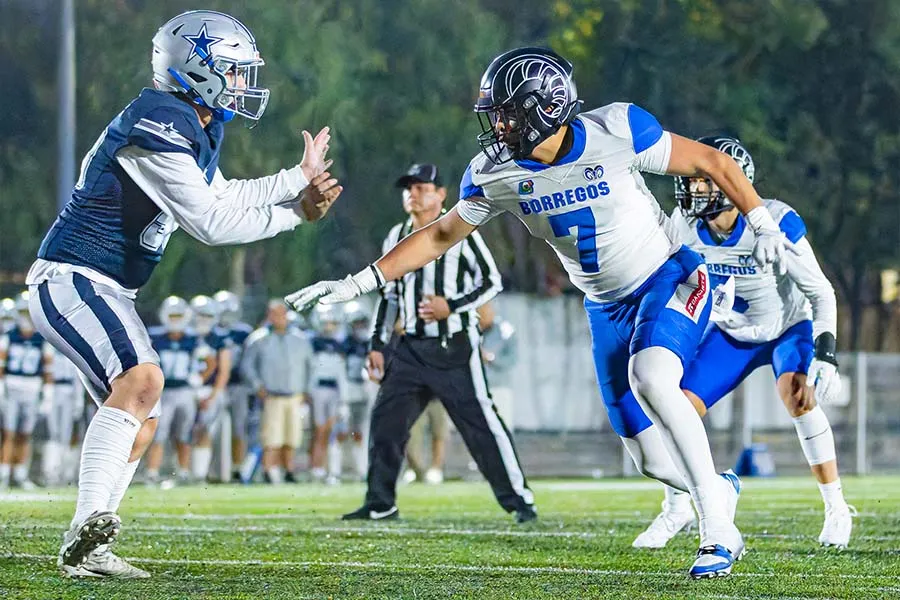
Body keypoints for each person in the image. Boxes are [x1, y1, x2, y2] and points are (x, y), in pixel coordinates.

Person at [286, 47, 796, 577]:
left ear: (542, 108)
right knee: (647, 457)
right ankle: (717, 489)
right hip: (604, 305)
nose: (498, 127)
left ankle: (718, 531)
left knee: (653, 377)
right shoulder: (496, 171)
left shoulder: (618, 129)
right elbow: (439, 234)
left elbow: (714, 162)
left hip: (670, 274)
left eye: (506, 114)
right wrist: (361, 280)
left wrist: (762, 224)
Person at [25, 9, 342, 579]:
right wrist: (295, 199)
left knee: (139, 414)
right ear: (200, 68)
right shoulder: (160, 117)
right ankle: (86, 524)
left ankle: (89, 545)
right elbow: (212, 223)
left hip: (106, 286)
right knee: (143, 382)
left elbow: (228, 196)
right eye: (236, 71)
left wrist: (295, 200)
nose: (245, 83)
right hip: (72, 277)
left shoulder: (195, 124)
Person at [632, 136, 853, 550]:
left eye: (704, 181)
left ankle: (836, 506)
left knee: (796, 394)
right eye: (695, 180)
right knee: (675, 406)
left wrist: (826, 351)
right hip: (732, 333)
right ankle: (678, 506)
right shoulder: (686, 225)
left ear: (734, 181)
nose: (694, 188)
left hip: (787, 327)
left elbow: (822, 291)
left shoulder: (774, 221)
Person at [321, 161, 535, 523]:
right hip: (409, 349)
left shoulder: (461, 231)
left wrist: (450, 306)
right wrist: (377, 344)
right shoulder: (396, 236)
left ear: (440, 195)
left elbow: (491, 281)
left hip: (454, 347)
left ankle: (519, 501)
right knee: (386, 422)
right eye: (410, 188)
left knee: (481, 427)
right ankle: (380, 502)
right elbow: (388, 295)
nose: (413, 194)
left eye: (422, 188)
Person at [241, 300, 313, 484]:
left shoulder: (300, 339)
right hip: (272, 395)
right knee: (271, 438)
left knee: (292, 437)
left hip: (294, 395)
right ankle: (268, 471)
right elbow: (247, 366)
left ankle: (289, 471)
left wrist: (307, 390)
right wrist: (258, 387)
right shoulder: (259, 339)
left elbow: (310, 366)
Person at [146, 297, 213, 485]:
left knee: (185, 433)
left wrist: (199, 378)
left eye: (178, 316)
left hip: (185, 390)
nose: (175, 320)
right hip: (163, 391)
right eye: (172, 316)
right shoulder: (155, 337)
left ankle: (183, 471)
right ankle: (152, 472)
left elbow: (211, 361)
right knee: (159, 433)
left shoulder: (193, 338)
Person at [0, 292, 54, 490]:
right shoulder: (8, 337)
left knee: (25, 433)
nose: (26, 317)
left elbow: (48, 369)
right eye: (23, 312)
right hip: (12, 386)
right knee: (8, 432)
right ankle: (5, 474)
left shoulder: (42, 340)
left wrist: (47, 394)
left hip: (32, 388)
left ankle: (20, 474)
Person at [212, 290, 254, 482]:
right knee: (212, 428)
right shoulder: (211, 331)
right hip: (214, 385)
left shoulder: (243, 332)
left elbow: (250, 359)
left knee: (239, 427)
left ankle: (237, 467)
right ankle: (213, 469)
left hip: (239, 384)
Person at [189, 294, 230, 481]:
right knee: (185, 432)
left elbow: (224, 370)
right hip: (188, 391)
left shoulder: (219, 338)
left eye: (207, 315)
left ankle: (201, 474)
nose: (203, 319)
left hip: (210, 390)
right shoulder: (186, 336)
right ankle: (186, 471)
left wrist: (213, 395)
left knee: (205, 430)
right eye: (200, 314)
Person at [308, 305, 348, 483]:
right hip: (317, 389)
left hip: (333, 390)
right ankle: (317, 467)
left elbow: (341, 374)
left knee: (332, 431)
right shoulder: (311, 342)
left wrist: (344, 399)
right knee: (319, 430)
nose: (329, 326)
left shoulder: (339, 344)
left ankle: (331, 469)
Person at [335, 302, 371, 481]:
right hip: (346, 391)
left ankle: (361, 470)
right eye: (356, 323)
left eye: (361, 322)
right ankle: (334, 471)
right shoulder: (343, 344)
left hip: (363, 391)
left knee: (360, 433)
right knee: (341, 432)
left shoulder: (368, 343)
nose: (360, 327)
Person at [43, 354, 85, 487]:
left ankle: (66, 471)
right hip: (53, 391)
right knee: (53, 434)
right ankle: (51, 471)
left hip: (69, 393)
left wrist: (79, 398)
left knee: (66, 434)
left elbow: (78, 378)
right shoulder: (50, 348)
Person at [477, 301, 518, 427]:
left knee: (502, 425)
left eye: (484, 312)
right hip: (479, 388)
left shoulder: (504, 330)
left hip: (499, 387)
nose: (481, 316)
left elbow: (512, 359)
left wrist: (490, 358)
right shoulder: (472, 330)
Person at [403, 399, 450, 485]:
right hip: (415, 397)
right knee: (411, 435)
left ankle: (436, 470)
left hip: (438, 397)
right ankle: (416, 469)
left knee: (439, 434)